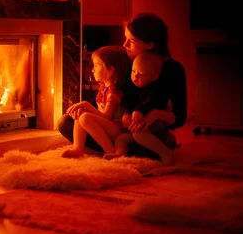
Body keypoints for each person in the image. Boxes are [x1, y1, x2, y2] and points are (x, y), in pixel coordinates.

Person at [58, 12, 187, 159]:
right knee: (66, 122)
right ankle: (114, 149)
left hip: (146, 131)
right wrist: (125, 113)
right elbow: (120, 99)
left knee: (161, 141)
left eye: (131, 41)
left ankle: (117, 150)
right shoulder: (127, 62)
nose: (125, 45)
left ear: (150, 45)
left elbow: (180, 117)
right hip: (118, 127)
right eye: (126, 39)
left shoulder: (174, 70)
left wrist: (153, 117)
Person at [104, 51, 174, 164]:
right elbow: (127, 101)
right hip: (137, 128)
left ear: (154, 76)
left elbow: (153, 102)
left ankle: (166, 153)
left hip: (154, 125)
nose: (135, 76)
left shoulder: (156, 88)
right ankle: (119, 155)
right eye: (133, 71)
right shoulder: (131, 86)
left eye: (141, 74)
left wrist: (140, 110)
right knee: (120, 139)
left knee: (139, 134)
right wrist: (125, 114)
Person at [61, 45, 130, 158]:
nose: (93, 69)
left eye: (97, 65)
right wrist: (84, 109)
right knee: (81, 114)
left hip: (116, 129)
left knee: (85, 117)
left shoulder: (113, 92)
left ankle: (110, 151)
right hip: (107, 126)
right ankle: (78, 149)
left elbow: (107, 116)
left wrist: (87, 105)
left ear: (110, 70)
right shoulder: (104, 88)